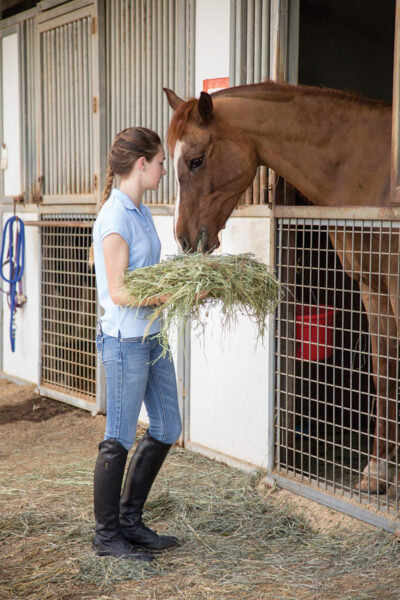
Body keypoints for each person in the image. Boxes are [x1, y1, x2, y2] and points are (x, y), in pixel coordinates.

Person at [91, 127, 182, 561]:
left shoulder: (140, 210)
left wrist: (178, 278)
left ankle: (131, 522)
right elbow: (121, 291)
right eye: (161, 161)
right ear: (141, 164)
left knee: (167, 427)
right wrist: (176, 294)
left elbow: (145, 273)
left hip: (153, 335)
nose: (165, 169)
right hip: (126, 339)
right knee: (119, 437)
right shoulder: (115, 218)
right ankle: (107, 536)